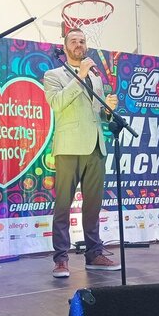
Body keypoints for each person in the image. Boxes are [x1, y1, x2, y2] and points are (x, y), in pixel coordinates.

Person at [44, 28, 121, 278]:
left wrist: (108, 109)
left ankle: (94, 254)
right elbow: (57, 103)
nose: (79, 44)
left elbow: (98, 114)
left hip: (96, 146)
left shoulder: (96, 78)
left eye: (82, 41)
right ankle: (61, 259)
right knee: (63, 205)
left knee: (93, 206)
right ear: (65, 47)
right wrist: (80, 75)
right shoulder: (54, 75)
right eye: (74, 41)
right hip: (69, 148)